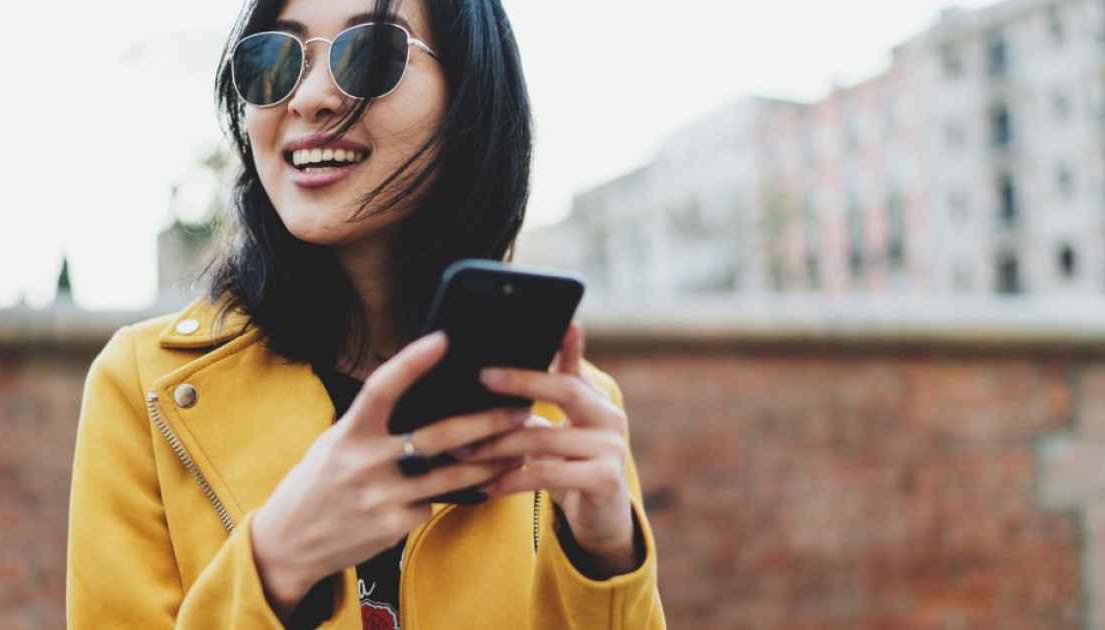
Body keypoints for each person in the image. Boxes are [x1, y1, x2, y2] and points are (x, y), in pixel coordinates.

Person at [65, 0, 665, 627]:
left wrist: (605, 565)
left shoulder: (570, 412)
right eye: (274, 59)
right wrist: (278, 562)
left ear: (470, 95)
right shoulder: (143, 387)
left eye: (374, 54)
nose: (310, 97)